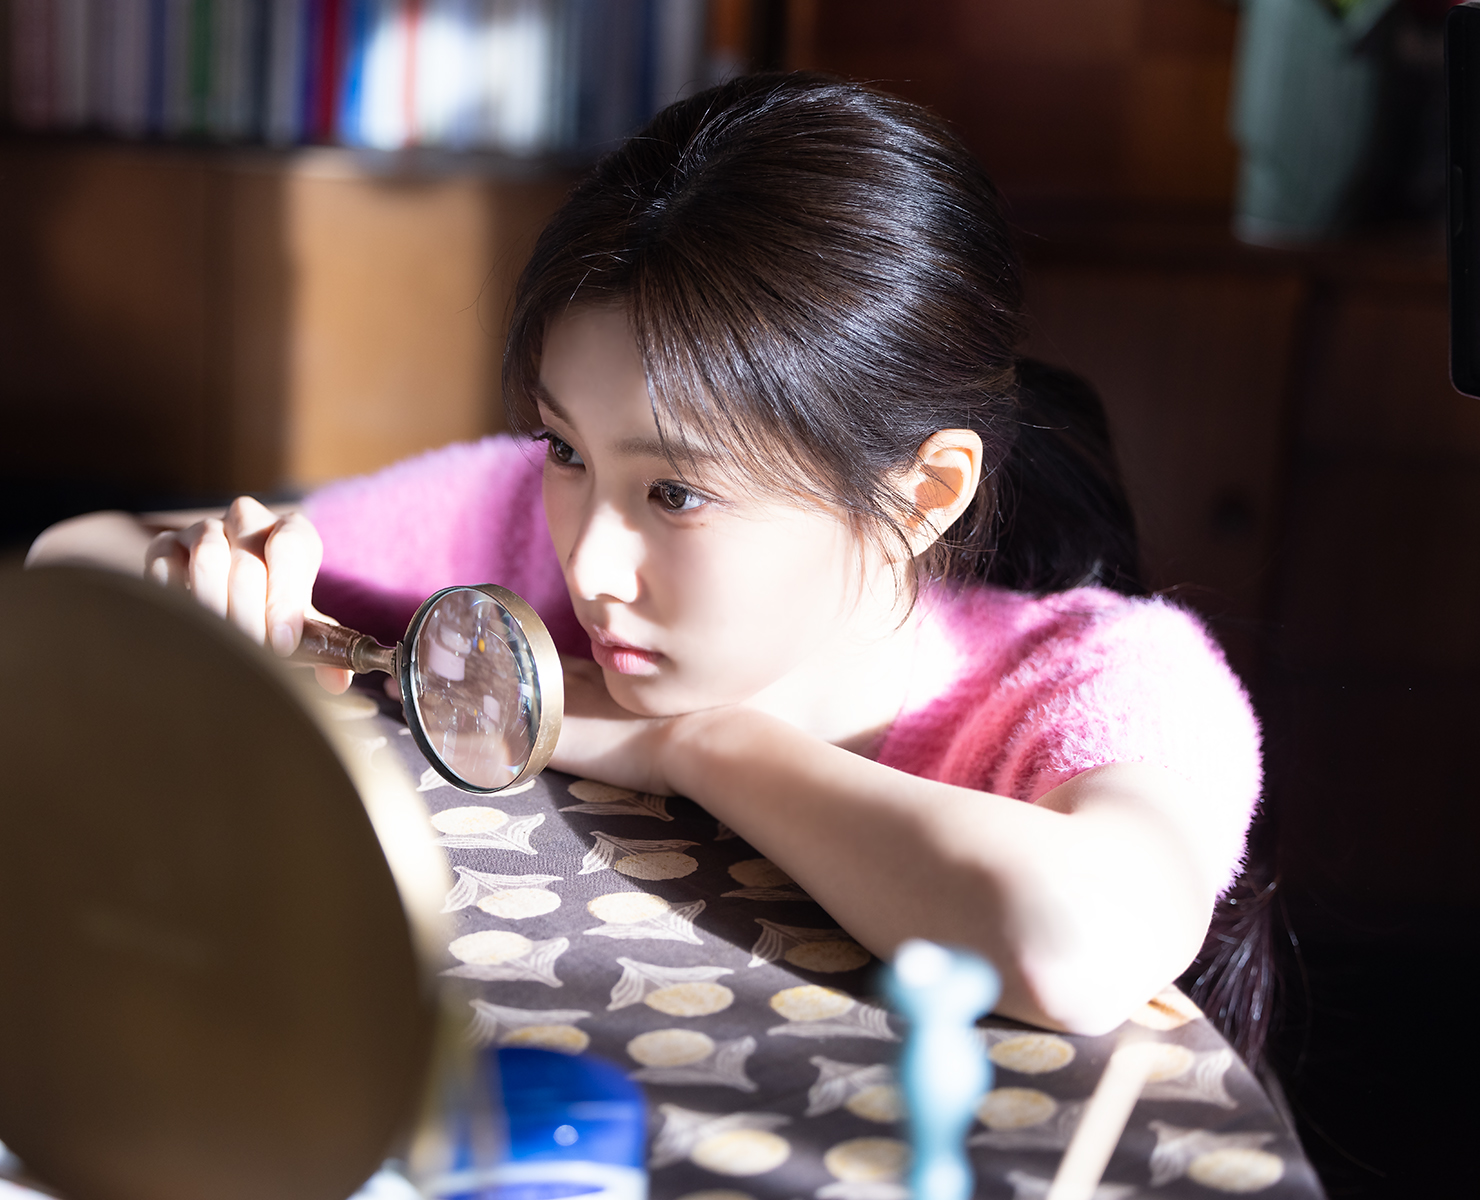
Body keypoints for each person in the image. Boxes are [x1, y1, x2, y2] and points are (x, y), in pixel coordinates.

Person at [136, 74, 1262, 1039]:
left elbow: (1071, 945)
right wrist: (222, 577)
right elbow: (84, 551)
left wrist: (701, 744)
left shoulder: (1106, 680)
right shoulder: (524, 513)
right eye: (565, 445)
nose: (590, 563)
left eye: (676, 492)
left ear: (918, 495)